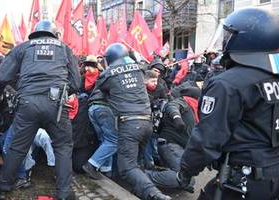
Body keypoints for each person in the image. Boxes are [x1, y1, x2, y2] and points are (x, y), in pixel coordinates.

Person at [178, 8, 279, 199]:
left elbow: (206, 139)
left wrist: (186, 170)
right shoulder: (272, 78)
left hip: (244, 178)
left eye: (229, 35)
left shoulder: (227, 84)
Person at [0, 20, 80, 200]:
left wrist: (3, 93)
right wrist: (63, 93)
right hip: (56, 104)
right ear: (55, 35)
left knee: (17, 147)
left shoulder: (23, 47)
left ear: (35, 33)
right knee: (62, 147)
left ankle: (2, 189)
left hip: (27, 104)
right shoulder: (64, 49)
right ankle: (64, 193)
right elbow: (76, 83)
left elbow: (1, 77)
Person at [95, 43, 171, 200]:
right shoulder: (139, 68)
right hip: (147, 122)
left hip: (130, 123)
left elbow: (101, 88)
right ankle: (141, 191)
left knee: (127, 167)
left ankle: (154, 194)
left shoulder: (108, 74)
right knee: (138, 162)